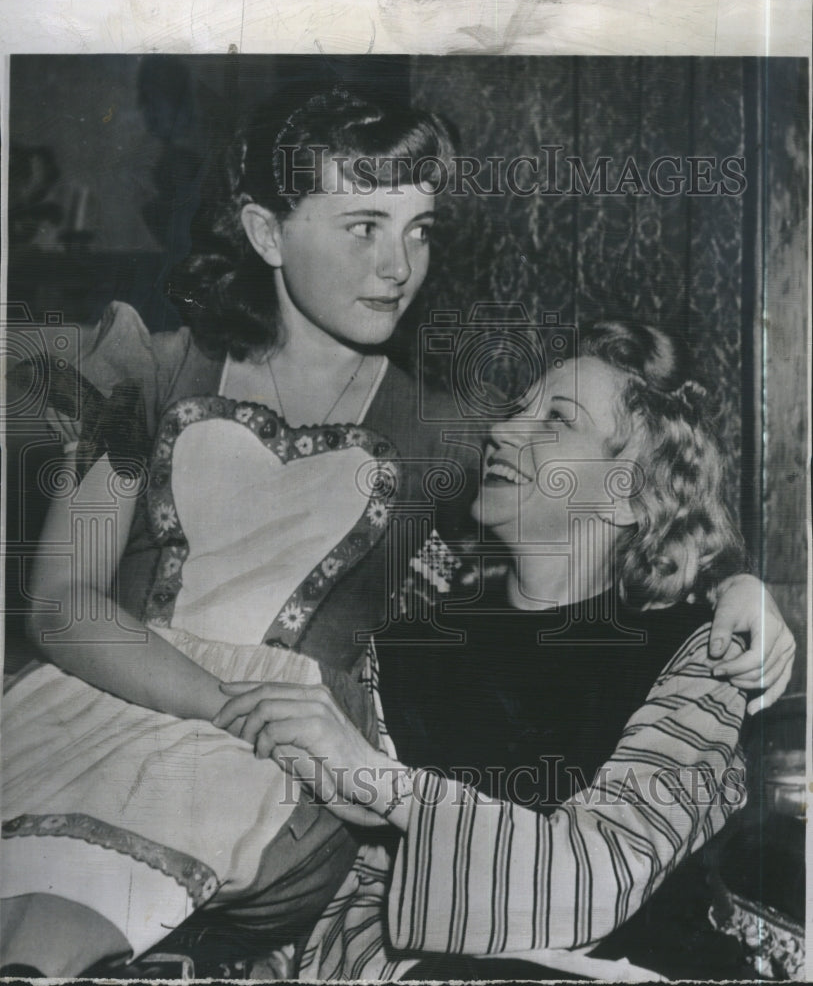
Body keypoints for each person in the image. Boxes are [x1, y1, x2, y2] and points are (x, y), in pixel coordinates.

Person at [0, 89, 794, 977]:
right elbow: (62, 604)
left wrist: (739, 585)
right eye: (363, 226)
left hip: (280, 779)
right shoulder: (146, 368)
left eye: (419, 230)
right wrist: (223, 704)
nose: (398, 267)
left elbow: (624, 495)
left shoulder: (441, 432)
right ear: (266, 234)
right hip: (95, 710)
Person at [213, 321, 784, 981]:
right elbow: (360, 888)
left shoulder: (697, 655)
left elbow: (596, 873)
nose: (502, 432)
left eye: (556, 422)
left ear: (625, 492)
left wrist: (379, 781)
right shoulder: (407, 647)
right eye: (518, 410)